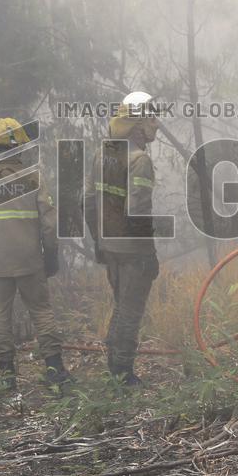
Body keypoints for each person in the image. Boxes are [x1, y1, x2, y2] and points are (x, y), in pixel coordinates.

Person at [0, 117, 71, 391]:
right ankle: (55, 370)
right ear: (21, 148)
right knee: (41, 311)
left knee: (0, 314)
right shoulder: (33, 178)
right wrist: (51, 255)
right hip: (30, 260)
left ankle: (7, 376)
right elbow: (49, 222)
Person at [84, 92, 160, 386]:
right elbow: (139, 211)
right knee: (130, 310)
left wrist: (98, 241)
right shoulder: (139, 160)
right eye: (151, 119)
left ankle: (114, 366)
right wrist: (149, 253)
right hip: (132, 250)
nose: (156, 124)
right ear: (137, 125)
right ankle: (123, 375)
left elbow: (89, 201)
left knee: (120, 305)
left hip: (109, 245)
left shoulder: (102, 154)